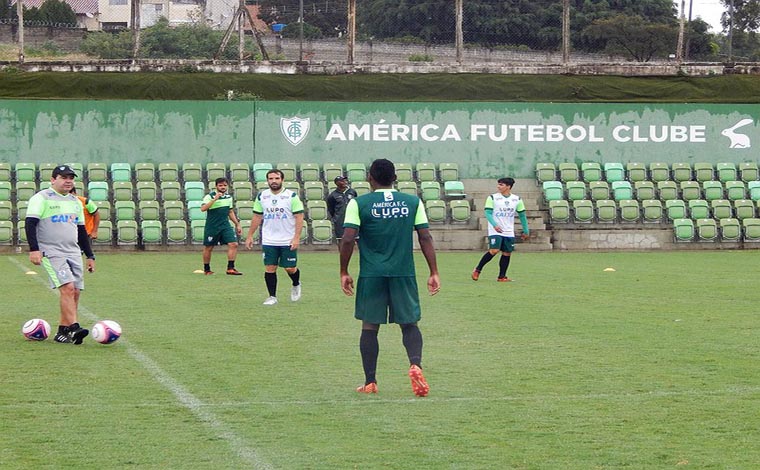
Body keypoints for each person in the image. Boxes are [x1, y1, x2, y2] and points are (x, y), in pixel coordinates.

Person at [340, 158, 440, 397]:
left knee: (369, 326)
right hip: (403, 272)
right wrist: (433, 271)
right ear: (395, 178)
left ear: (369, 178)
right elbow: (425, 237)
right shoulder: (412, 202)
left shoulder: (358, 203)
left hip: (372, 274)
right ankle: (415, 364)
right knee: (409, 323)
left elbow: (347, 239)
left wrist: (344, 271)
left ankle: (370, 382)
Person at [25, 165, 95, 345]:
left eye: (71, 177)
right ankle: (74, 327)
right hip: (51, 252)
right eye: (64, 177)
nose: (68, 180)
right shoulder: (41, 198)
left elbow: (81, 230)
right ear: (53, 179)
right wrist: (34, 249)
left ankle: (63, 331)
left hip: (73, 251)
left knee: (76, 291)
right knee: (67, 287)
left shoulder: (75, 201)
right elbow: (30, 224)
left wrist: (90, 255)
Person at [244, 169, 304, 305]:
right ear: (267, 181)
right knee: (270, 267)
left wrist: (296, 237)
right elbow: (257, 216)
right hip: (269, 239)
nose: (274, 181)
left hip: (287, 239)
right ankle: (272, 297)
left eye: (276, 178)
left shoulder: (291, 196)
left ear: (282, 180)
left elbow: (299, 217)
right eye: (271, 179)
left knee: (290, 268)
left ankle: (296, 283)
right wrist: (250, 235)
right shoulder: (262, 196)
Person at [471, 177, 530, 282]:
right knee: (494, 250)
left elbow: (522, 215)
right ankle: (477, 269)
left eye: (501, 185)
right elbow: (488, 213)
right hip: (495, 230)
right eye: (498, 184)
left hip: (508, 230)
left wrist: (526, 230)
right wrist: (494, 225)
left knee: (507, 253)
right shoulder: (492, 198)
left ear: (508, 186)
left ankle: (502, 276)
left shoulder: (517, 199)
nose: (498, 186)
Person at [200, 177, 243, 275]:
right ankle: (207, 269)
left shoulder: (228, 197)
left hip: (225, 225)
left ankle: (230, 268)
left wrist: (237, 224)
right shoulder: (209, 196)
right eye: (220, 185)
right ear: (216, 186)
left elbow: (230, 211)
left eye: (224, 185)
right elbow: (203, 208)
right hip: (212, 226)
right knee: (209, 247)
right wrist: (214, 200)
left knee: (234, 244)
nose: (223, 187)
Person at [326, 175, 358, 242]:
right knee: (341, 240)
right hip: (340, 220)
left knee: (355, 239)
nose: (344, 182)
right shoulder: (333, 195)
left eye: (345, 180)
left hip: (352, 218)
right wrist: (337, 217)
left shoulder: (352, 192)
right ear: (337, 183)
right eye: (342, 181)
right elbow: (331, 209)